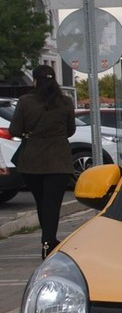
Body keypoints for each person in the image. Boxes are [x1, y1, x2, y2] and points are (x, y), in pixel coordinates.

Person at [9, 64, 75, 258]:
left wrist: (30, 134)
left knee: (42, 202)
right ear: (54, 79)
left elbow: (14, 130)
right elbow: (70, 130)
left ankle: (48, 240)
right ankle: (48, 243)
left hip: (32, 161)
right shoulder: (65, 102)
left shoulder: (25, 102)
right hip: (59, 160)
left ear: (35, 81)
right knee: (52, 204)